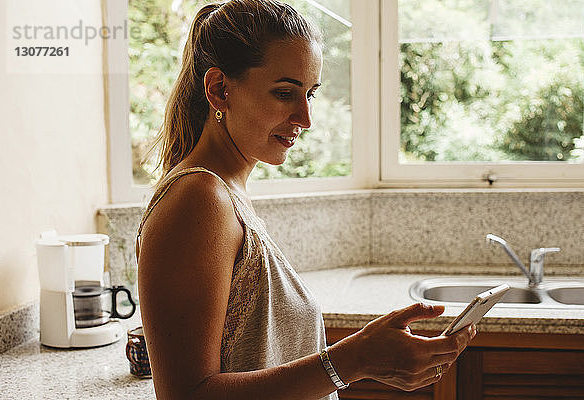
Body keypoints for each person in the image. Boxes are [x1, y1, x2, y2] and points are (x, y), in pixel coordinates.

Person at [135, 1, 476, 399]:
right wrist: (354, 361)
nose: (305, 117)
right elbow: (187, 395)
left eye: (310, 94)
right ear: (219, 89)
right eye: (284, 93)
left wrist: (357, 360)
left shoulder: (227, 192)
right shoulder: (198, 199)